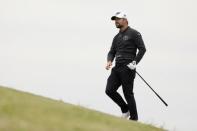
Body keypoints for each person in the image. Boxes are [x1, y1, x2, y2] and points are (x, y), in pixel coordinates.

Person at [105, 12, 146, 121]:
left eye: (118, 19)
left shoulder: (134, 33)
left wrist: (135, 62)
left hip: (128, 68)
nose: (116, 21)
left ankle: (134, 118)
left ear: (125, 20)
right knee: (109, 90)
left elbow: (142, 49)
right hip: (117, 67)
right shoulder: (116, 37)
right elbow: (112, 51)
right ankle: (125, 109)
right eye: (115, 19)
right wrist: (109, 61)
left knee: (128, 93)